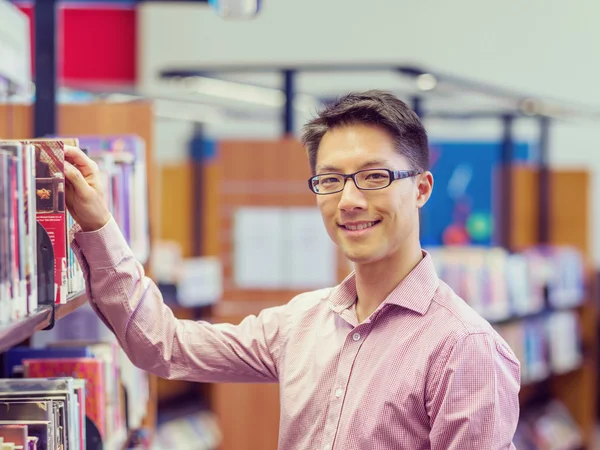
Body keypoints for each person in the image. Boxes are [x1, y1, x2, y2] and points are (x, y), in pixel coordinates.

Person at [63, 90, 520, 450]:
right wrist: (99, 224)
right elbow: (164, 347)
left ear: (421, 188)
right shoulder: (302, 322)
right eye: (331, 180)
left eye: (375, 177)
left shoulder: (465, 348)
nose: (350, 200)